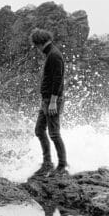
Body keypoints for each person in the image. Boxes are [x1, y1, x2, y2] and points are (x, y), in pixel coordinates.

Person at [31, 28, 67, 175]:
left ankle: (62, 165)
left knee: (54, 134)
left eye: (36, 46)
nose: (36, 49)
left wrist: (52, 101)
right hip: (46, 100)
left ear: (39, 43)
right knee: (39, 130)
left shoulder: (54, 55)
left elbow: (58, 80)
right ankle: (47, 163)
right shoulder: (51, 53)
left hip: (52, 100)